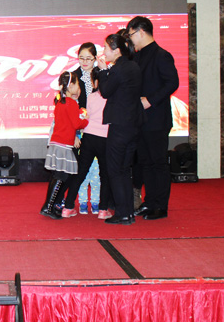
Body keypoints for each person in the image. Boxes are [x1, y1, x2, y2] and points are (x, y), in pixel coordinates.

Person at [126, 16, 180, 221]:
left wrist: (150, 100)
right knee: (145, 163)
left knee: (158, 163)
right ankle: (149, 202)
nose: (131, 40)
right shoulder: (137, 57)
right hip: (140, 120)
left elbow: (172, 82)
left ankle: (160, 206)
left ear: (141, 32)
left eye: (131, 35)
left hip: (157, 119)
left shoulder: (161, 55)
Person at [98, 33, 143, 225]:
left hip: (120, 125)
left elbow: (105, 91)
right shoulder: (133, 66)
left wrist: (103, 71)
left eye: (106, 48)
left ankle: (123, 213)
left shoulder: (118, 68)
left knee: (115, 169)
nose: (104, 51)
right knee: (124, 169)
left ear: (116, 50)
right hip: (133, 125)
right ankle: (127, 213)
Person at [40, 71, 88, 219]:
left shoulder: (60, 102)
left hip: (57, 142)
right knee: (61, 175)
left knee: (59, 175)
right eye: (77, 84)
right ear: (71, 85)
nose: (78, 87)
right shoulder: (71, 103)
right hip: (64, 144)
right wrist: (85, 119)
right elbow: (77, 124)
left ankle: (50, 206)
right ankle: (48, 207)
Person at [66, 71, 114, 220]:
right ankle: (102, 210)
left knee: (80, 173)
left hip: (88, 137)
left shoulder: (91, 97)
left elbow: (86, 115)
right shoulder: (112, 96)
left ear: (93, 83)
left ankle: (68, 207)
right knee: (105, 175)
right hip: (105, 138)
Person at [70, 42, 101, 215]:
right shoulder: (73, 77)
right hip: (80, 129)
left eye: (89, 58)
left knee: (97, 170)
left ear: (95, 58)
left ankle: (97, 201)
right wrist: (75, 132)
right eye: (81, 58)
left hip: (99, 128)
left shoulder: (101, 75)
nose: (85, 62)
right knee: (81, 168)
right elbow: (70, 107)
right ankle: (81, 202)